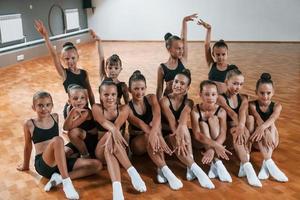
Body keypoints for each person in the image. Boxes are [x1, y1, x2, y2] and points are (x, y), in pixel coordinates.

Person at [17, 91, 102, 199]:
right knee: (58, 140)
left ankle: (59, 178)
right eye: (40, 105)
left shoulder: (55, 117)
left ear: (52, 106)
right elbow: (28, 146)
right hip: (44, 165)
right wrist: (25, 166)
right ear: (33, 107)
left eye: (48, 105)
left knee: (97, 165)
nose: (44, 109)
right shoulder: (29, 124)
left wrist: (73, 111)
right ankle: (67, 183)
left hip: (60, 163)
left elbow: (66, 129)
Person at [127, 70, 183, 190]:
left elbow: (157, 116)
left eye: (142, 88)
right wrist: (158, 137)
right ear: (129, 89)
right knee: (150, 133)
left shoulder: (151, 98)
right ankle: (168, 172)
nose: (139, 92)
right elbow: (142, 125)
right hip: (137, 144)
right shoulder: (128, 108)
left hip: (154, 135)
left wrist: (159, 136)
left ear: (146, 88)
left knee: (155, 126)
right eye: (136, 89)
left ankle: (160, 168)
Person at [160, 69, 215, 189]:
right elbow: (172, 123)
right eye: (176, 81)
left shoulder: (189, 102)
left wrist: (181, 130)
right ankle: (196, 169)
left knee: (185, 128)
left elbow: (183, 119)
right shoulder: (164, 101)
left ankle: (190, 164)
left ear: (187, 88)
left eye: (182, 83)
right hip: (167, 136)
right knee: (179, 130)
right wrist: (179, 134)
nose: (177, 85)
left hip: (181, 131)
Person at [92, 79, 146, 200]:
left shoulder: (124, 109)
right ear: (100, 95)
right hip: (100, 152)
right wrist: (112, 132)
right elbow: (104, 122)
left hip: (120, 152)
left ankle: (117, 189)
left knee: (111, 137)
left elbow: (116, 127)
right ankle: (133, 172)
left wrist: (113, 132)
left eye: (113, 94)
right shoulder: (96, 108)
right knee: (109, 135)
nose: (110, 97)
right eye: (106, 94)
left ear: (117, 95)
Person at [35, 20, 95, 118]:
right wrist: (45, 36)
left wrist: (94, 110)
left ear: (77, 57)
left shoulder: (84, 73)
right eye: (66, 59)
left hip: (84, 107)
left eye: (72, 58)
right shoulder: (64, 73)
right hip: (73, 109)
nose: (70, 61)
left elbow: (90, 93)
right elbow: (54, 55)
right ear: (63, 60)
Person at [217, 69, 262, 187]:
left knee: (250, 119)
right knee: (236, 130)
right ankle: (248, 167)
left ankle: (244, 160)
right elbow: (232, 114)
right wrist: (242, 128)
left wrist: (242, 126)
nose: (238, 87)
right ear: (226, 82)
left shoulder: (244, 97)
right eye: (235, 83)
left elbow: (242, 112)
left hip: (240, 131)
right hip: (226, 135)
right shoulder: (220, 98)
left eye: (241, 84)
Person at [249, 73, 288, 182]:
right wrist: (262, 130)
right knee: (260, 127)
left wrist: (264, 130)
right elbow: (258, 118)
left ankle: (266, 164)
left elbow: (273, 118)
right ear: (255, 92)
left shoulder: (277, 106)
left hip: (272, 141)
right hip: (257, 141)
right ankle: (270, 164)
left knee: (271, 125)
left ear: (273, 92)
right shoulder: (252, 105)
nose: (265, 96)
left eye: (268, 93)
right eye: (262, 93)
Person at [191, 80, 232, 182]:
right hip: (200, 143)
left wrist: (211, 149)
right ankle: (218, 162)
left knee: (213, 119)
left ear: (217, 95)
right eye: (206, 94)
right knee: (203, 124)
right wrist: (215, 146)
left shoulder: (221, 111)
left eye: (213, 94)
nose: (210, 97)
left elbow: (223, 134)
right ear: (200, 95)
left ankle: (215, 163)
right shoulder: (195, 110)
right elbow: (197, 135)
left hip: (217, 142)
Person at [156, 14, 198, 99]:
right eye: (178, 49)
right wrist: (157, 105)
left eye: (182, 48)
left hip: (182, 101)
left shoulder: (182, 60)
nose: (181, 51)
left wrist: (184, 21)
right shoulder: (162, 68)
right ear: (169, 49)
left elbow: (184, 38)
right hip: (168, 101)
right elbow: (159, 88)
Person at [197, 19, 238, 94]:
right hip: (211, 99)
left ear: (227, 54)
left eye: (223, 54)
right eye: (218, 54)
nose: (220, 57)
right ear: (213, 54)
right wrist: (209, 29)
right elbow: (206, 46)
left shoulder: (231, 69)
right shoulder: (211, 64)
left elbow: (235, 86)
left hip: (224, 99)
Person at [91, 30, 129, 104]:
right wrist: (99, 41)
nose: (113, 70)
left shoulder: (122, 86)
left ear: (120, 69)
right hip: (104, 112)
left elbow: (127, 104)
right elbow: (101, 58)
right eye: (110, 68)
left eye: (116, 68)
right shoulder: (103, 78)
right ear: (106, 69)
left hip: (116, 113)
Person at [63, 84, 98, 158]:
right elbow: (66, 127)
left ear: (86, 100)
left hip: (91, 141)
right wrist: (72, 111)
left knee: (73, 132)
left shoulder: (86, 112)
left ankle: (86, 155)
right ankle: (78, 154)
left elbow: (66, 128)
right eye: (75, 98)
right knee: (63, 154)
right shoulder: (68, 108)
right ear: (69, 101)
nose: (79, 100)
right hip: (78, 141)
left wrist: (72, 111)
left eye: (82, 98)